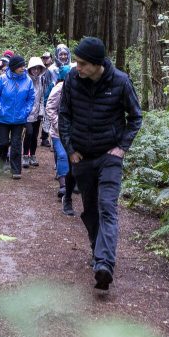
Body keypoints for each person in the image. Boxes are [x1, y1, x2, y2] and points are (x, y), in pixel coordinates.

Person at [58, 37, 142, 291]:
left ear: (96, 64)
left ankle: (104, 263)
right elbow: (64, 115)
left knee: (107, 206)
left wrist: (122, 148)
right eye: (77, 62)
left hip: (109, 157)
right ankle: (98, 251)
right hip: (82, 157)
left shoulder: (120, 81)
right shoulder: (73, 79)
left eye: (82, 63)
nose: (77, 67)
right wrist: (70, 149)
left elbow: (135, 117)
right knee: (91, 210)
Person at [0, 54, 35, 179]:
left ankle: (16, 170)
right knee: (2, 143)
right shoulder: (2, 79)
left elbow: (31, 98)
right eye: (20, 66)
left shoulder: (28, 80)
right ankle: (1, 164)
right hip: (2, 118)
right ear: (14, 67)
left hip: (19, 119)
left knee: (16, 144)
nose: (23, 68)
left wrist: (26, 111)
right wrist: (0, 109)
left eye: (23, 65)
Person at [44, 66, 75, 214]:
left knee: (73, 159)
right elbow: (50, 107)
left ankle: (71, 183)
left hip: (75, 133)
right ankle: (63, 186)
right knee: (63, 155)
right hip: (58, 132)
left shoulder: (79, 87)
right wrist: (59, 125)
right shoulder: (58, 89)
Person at [22, 57, 47, 168]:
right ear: (30, 69)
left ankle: (32, 155)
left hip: (37, 113)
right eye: (34, 68)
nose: (36, 70)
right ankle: (25, 156)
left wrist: (41, 111)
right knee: (29, 133)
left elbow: (41, 98)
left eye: (38, 68)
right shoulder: (25, 80)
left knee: (35, 135)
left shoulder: (41, 80)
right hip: (27, 114)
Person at [39, 52, 56, 147]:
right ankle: (44, 137)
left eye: (47, 58)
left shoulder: (54, 69)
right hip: (40, 93)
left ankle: (46, 138)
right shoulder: (40, 68)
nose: (45, 59)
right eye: (43, 58)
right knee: (42, 116)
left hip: (51, 93)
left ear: (51, 58)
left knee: (49, 116)